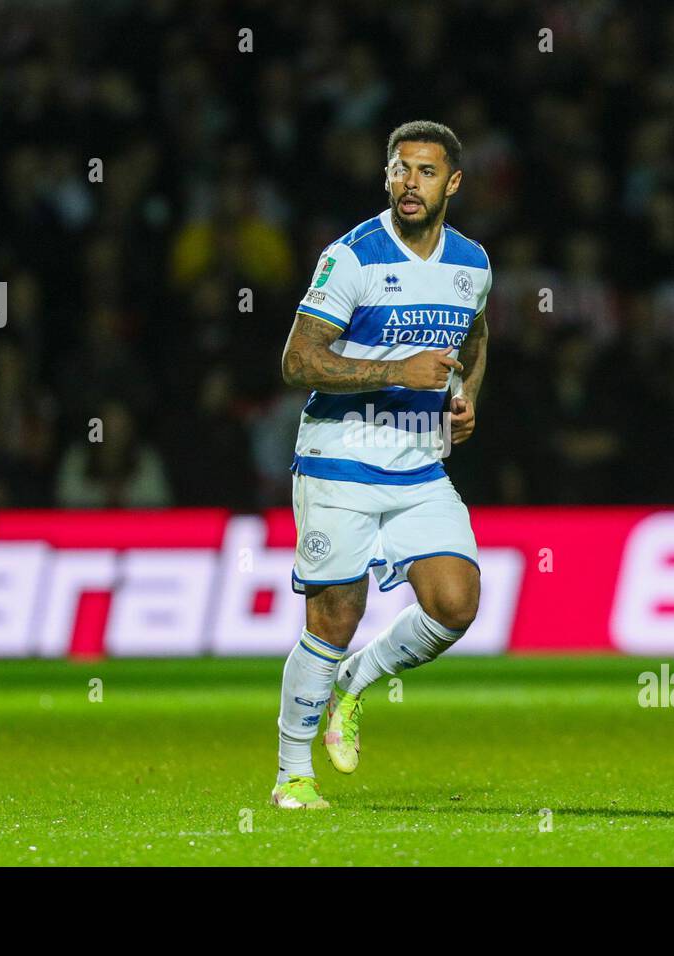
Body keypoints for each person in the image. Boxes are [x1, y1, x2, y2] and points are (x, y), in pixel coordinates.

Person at [271, 121, 491, 808]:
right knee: (334, 618)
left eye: (426, 172)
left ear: (452, 183)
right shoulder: (353, 257)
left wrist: (466, 397)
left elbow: (476, 332)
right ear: (386, 176)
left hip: (419, 461)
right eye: (400, 170)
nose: (409, 183)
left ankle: (354, 684)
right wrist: (398, 367)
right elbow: (297, 361)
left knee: (456, 603)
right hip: (340, 459)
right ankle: (291, 776)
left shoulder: (472, 263)